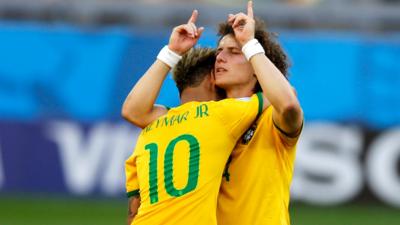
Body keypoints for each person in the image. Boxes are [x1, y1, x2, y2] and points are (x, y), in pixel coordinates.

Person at [123, 10, 265, 225]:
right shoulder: (221, 114)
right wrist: (252, 48)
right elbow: (283, 96)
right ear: (212, 78)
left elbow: (133, 213)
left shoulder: (150, 130)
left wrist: (171, 52)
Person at [214, 1, 303, 225]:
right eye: (219, 51)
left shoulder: (270, 117)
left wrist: (250, 44)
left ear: (257, 71)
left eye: (234, 52)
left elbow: (290, 105)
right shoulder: (209, 116)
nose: (220, 57)